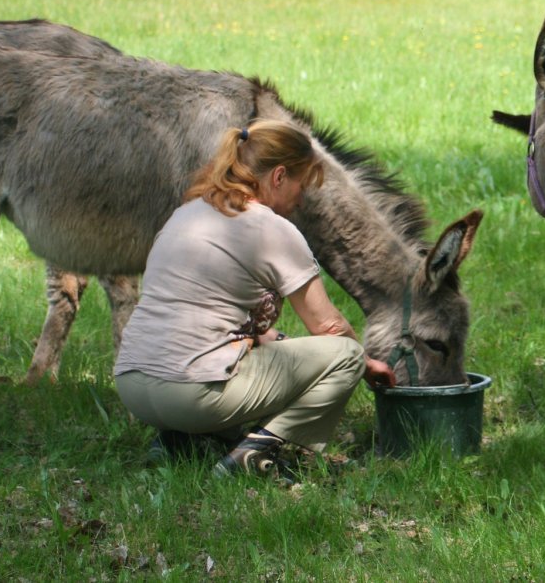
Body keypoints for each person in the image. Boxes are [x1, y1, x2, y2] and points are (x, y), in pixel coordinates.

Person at [114, 118, 396, 478]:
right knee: (345, 355)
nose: (300, 200)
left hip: (134, 385)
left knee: (262, 354)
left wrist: (282, 342)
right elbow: (327, 326)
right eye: (301, 185)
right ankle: (258, 457)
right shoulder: (268, 227)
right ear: (278, 177)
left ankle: (181, 441)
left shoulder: (186, 215)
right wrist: (366, 364)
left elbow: (225, 324)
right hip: (191, 394)